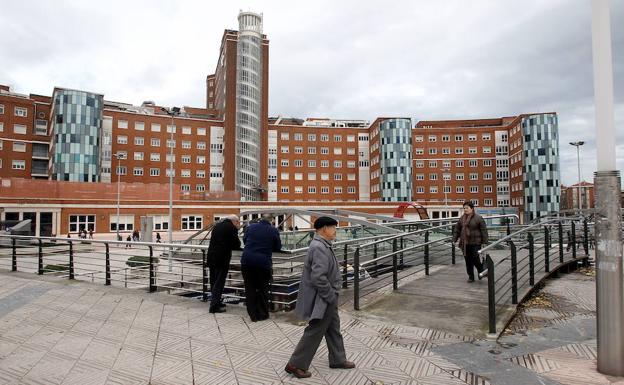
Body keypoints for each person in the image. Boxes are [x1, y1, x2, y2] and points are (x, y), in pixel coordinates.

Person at [285, 216, 354, 379]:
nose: (335, 231)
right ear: (324, 229)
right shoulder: (319, 247)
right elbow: (318, 277)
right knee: (315, 330)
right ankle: (295, 364)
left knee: (333, 328)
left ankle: (338, 359)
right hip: (323, 298)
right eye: (333, 228)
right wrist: (330, 296)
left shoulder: (323, 245)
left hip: (327, 296)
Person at [241, 214, 282, 322]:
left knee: (249, 288)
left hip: (247, 261)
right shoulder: (273, 230)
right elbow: (278, 247)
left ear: (261, 219)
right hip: (263, 263)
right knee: (263, 288)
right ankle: (263, 314)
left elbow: (245, 240)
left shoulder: (251, 227)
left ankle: (253, 315)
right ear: (272, 220)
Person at [206, 215, 241, 313]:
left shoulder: (217, 225)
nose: (238, 224)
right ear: (235, 221)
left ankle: (216, 301)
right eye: (238, 222)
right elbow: (236, 244)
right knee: (219, 282)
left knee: (213, 281)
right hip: (221, 259)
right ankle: (214, 306)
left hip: (211, 257)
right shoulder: (231, 228)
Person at [453, 201, 489, 283]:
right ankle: (471, 277)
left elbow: (484, 231)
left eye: (467, 208)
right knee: (468, 260)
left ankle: (481, 272)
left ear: (472, 208)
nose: (465, 210)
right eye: (464, 208)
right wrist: (454, 239)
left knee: (475, 258)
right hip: (465, 243)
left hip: (476, 242)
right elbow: (457, 230)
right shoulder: (462, 219)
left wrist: (485, 242)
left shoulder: (478, 218)